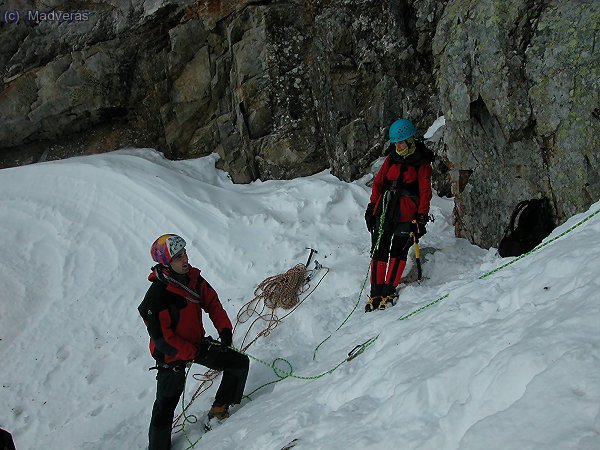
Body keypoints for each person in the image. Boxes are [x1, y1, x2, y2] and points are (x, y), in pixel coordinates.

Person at [138, 234, 250, 450]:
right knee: (165, 407)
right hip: (172, 357)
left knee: (238, 363)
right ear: (166, 263)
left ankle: (218, 411)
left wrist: (225, 330)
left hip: (197, 345)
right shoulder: (157, 296)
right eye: (178, 257)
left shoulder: (193, 279)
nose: (185, 259)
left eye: (185, 253)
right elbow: (163, 340)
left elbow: (212, 302)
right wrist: (193, 352)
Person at [364, 118, 433, 312]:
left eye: (401, 142)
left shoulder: (422, 163)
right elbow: (378, 183)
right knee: (379, 249)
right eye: (396, 142)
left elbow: (425, 192)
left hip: (406, 214)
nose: (398, 145)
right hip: (385, 211)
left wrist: (421, 217)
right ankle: (376, 291)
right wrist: (372, 207)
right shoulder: (391, 159)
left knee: (398, 251)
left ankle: (389, 290)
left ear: (411, 140)